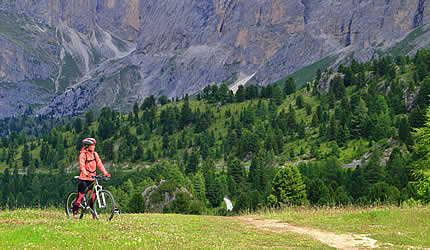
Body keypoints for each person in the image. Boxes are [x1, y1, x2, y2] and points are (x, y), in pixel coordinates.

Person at [72, 138, 111, 219]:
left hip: (92, 178)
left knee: (93, 198)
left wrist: (105, 173)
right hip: (84, 179)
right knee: (80, 197)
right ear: (88, 146)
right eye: (92, 145)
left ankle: (94, 215)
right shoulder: (83, 154)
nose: (94, 147)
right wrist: (85, 173)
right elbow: (82, 166)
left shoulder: (95, 154)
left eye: (94, 145)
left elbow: (99, 164)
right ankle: (75, 213)